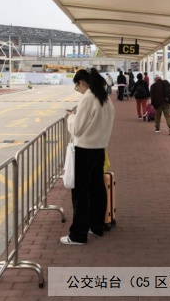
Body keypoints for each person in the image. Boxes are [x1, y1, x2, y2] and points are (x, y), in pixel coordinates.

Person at [62, 68, 115, 245]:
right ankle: (96, 226)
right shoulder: (105, 98)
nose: (78, 90)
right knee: (97, 188)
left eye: (77, 87)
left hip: (84, 150)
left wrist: (71, 117)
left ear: (82, 83)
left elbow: (77, 128)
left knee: (81, 193)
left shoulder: (88, 98)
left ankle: (78, 234)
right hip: (99, 149)